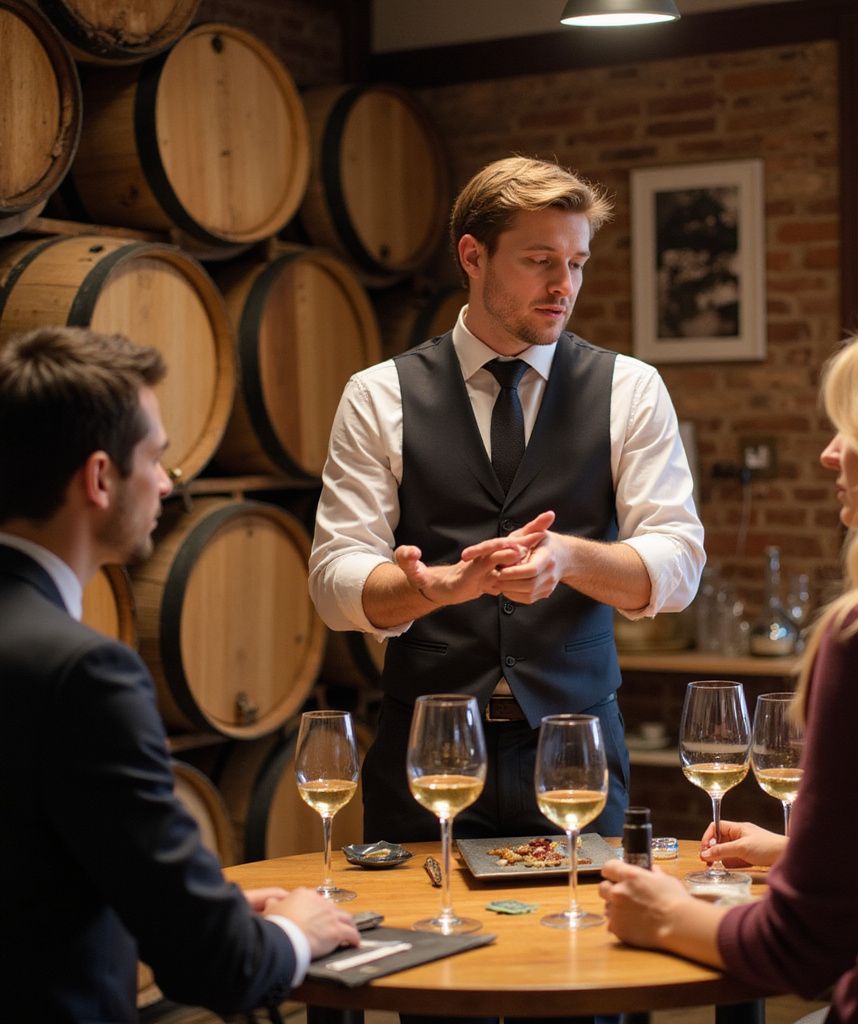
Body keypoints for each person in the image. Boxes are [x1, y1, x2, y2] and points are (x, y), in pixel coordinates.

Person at [599, 310, 858, 1023]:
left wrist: (665, 912)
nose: (829, 455)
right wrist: (800, 850)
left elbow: (801, 951)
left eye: (851, 428)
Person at [309, 155, 705, 847]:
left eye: (578, 263)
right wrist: (433, 589)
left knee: (581, 948)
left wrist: (568, 557)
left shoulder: (631, 389)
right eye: (540, 260)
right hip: (425, 750)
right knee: (423, 944)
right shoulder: (377, 395)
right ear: (473, 256)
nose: (565, 286)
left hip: (576, 746)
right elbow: (334, 579)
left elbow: (678, 566)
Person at [0, 326, 360, 1023]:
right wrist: (293, 932)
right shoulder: (84, 672)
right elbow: (217, 968)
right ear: (99, 478)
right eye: (156, 459)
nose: (168, 481)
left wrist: (213, 906)